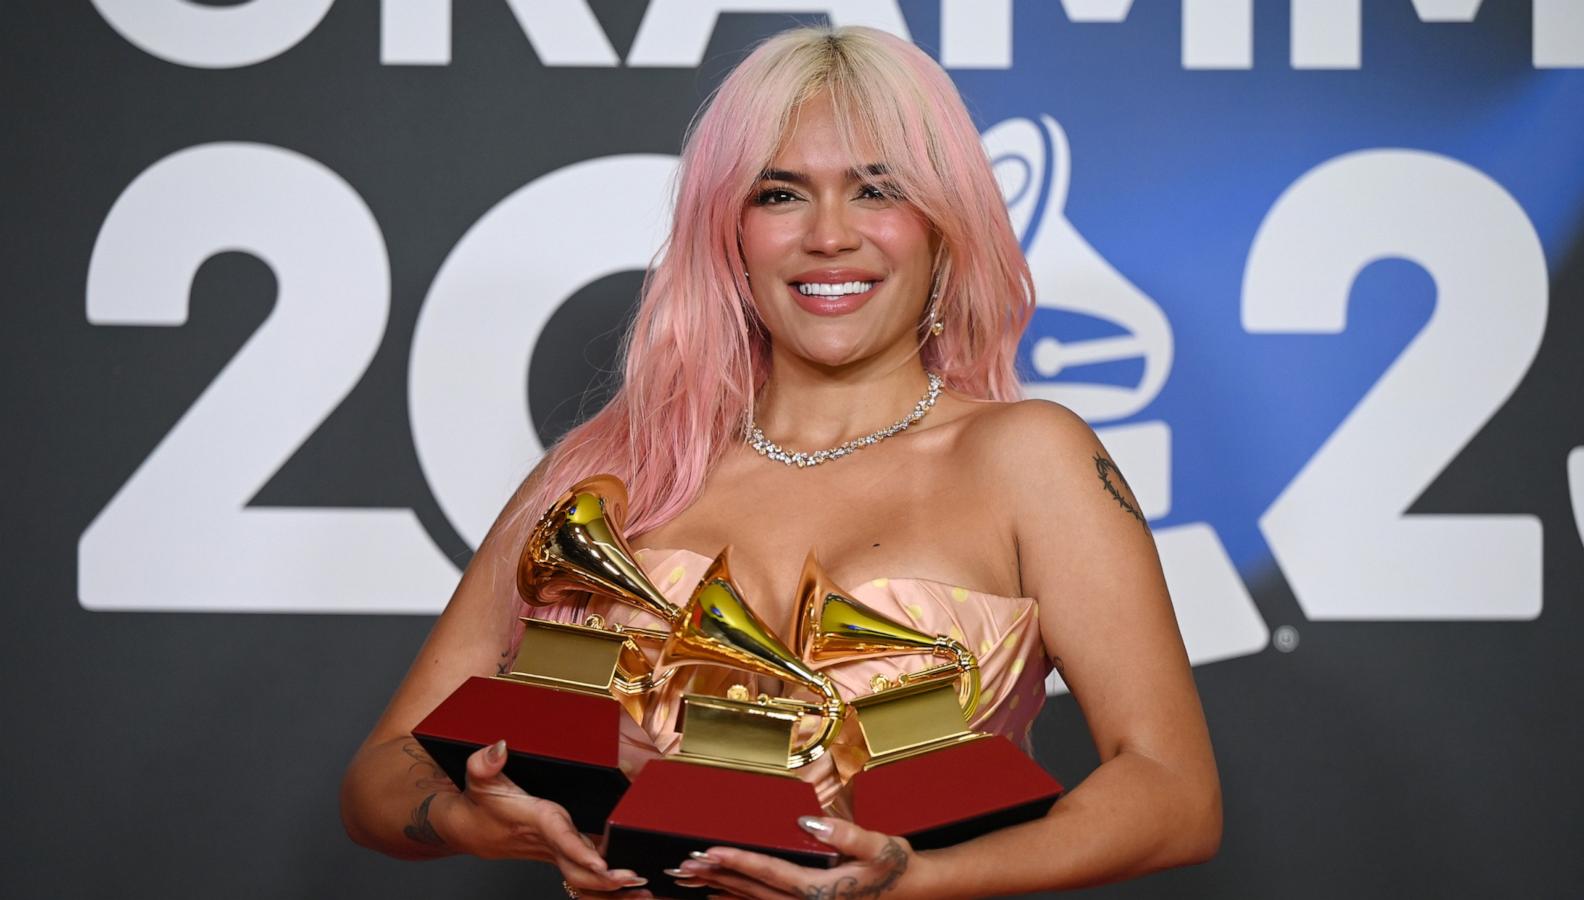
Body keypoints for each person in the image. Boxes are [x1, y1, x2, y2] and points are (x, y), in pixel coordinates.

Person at [340, 25, 1220, 898]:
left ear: (945, 226)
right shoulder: (609, 469)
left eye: (878, 191)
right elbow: (382, 777)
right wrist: (469, 819)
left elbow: (1174, 793)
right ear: (728, 229)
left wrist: (916, 878)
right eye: (780, 195)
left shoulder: (1029, 459)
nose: (829, 236)